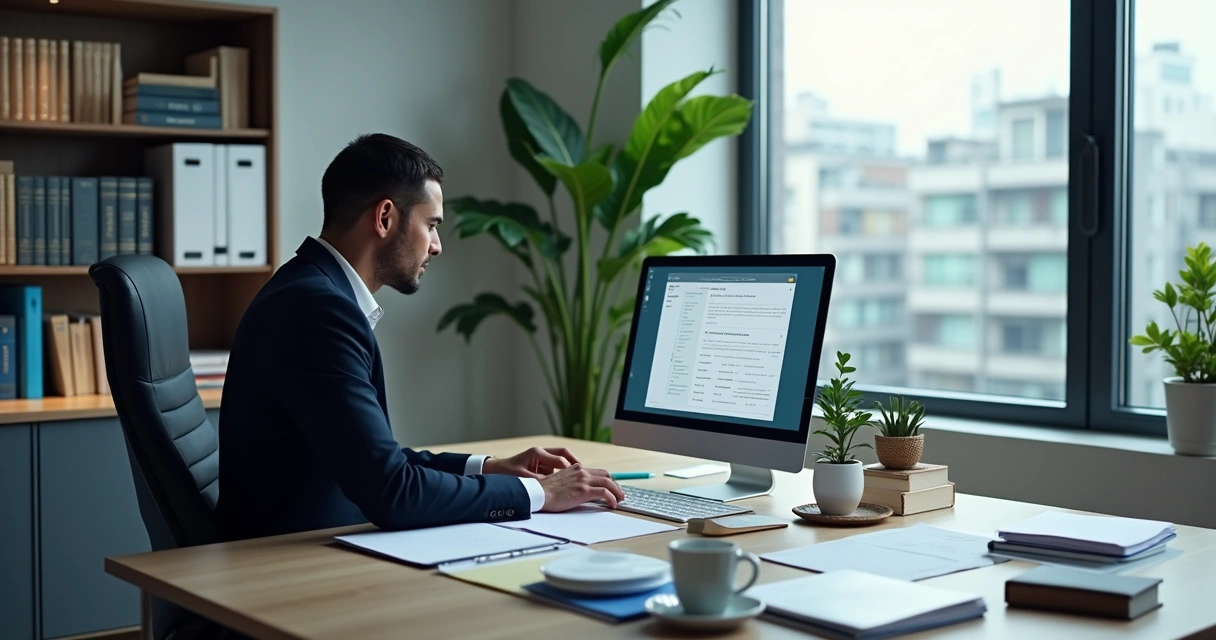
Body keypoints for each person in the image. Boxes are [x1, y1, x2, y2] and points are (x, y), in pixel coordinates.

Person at [215, 133, 624, 542]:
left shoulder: (307, 289)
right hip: (284, 566)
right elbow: (392, 491)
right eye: (431, 225)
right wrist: (538, 492)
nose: (437, 246)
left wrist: (489, 468)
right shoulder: (319, 312)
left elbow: (373, 462)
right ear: (386, 218)